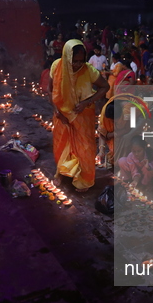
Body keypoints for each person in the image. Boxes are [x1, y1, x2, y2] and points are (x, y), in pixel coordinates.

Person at [48, 39, 109, 192]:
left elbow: (105, 87)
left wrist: (87, 102)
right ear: (66, 57)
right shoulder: (57, 66)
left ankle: (84, 179)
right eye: (74, 61)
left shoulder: (89, 70)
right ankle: (61, 173)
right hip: (61, 114)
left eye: (81, 61)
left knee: (85, 147)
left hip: (83, 115)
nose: (77, 65)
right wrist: (56, 110)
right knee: (62, 145)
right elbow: (50, 89)